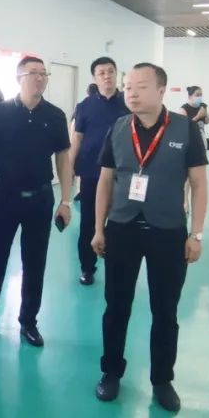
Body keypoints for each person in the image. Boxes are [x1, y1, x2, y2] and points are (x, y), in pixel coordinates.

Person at [92, 63, 208, 413]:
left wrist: (197, 233)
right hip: (122, 228)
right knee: (116, 306)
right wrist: (99, 228)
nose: (131, 93)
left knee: (165, 310)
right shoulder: (118, 127)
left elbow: (199, 184)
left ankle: (162, 380)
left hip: (168, 231)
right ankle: (111, 371)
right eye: (128, 86)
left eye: (141, 86)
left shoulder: (185, 129)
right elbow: (105, 181)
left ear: (161, 90)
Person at [0, 56, 73, 347]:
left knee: (35, 263)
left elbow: (63, 159)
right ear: (19, 78)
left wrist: (66, 200)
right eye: (33, 73)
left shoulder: (55, 115)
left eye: (43, 73)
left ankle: (29, 322)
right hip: (3, 197)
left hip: (40, 198)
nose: (39, 78)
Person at [69, 58, 129, 285]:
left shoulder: (128, 102)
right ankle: (87, 267)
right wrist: (70, 169)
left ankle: (117, 265)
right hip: (91, 172)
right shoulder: (85, 106)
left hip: (123, 173)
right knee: (89, 222)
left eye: (111, 71)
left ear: (117, 74)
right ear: (95, 78)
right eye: (102, 73)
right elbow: (77, 139)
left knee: (119, 222)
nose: (107, 76)